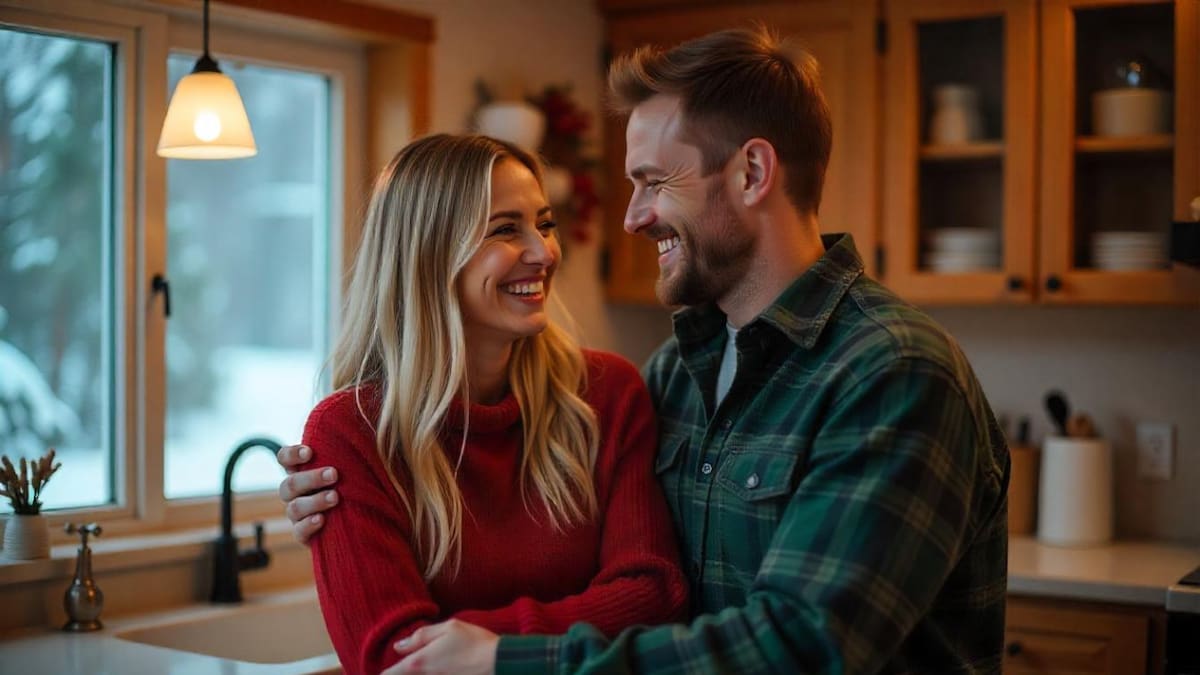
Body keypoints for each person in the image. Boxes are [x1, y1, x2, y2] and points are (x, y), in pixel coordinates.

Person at [280, 26, 1009, 675]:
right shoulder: (677, 376)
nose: (631, 218)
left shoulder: (892, 372)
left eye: (653, 182)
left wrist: (502, 655)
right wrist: (338, 487)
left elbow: (800, 646)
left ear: (752, 174)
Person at [291, 133, 687, 675]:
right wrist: (579, 626)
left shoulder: (605, 394)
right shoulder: (350, 434)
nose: (543, 252)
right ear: (429, 253)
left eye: (544, 224)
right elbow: (391, 659)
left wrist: (489, 651)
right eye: (505, 229)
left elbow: (653, 596)